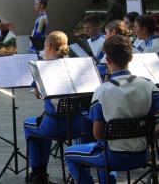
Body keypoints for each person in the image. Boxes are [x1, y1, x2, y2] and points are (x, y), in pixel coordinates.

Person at [65, 35, 159, 184]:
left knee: (69, 153)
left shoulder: (102, 91)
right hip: (141, 155)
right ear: (130, 58)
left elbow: (97, 134)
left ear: (107, 60)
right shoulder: (149, 85)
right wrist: (149, 135)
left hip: (113, 156)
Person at [23, 31, 82, 184]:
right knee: (43, 123)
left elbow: (37, 94)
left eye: (44, 45)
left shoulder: (43, 67)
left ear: (48, 46)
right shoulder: (79, 65)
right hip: (77, 125)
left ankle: (38, 173)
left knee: (29, 125)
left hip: (55, 125)